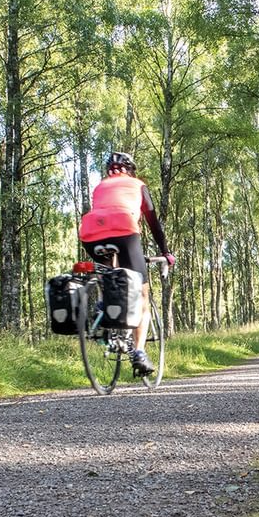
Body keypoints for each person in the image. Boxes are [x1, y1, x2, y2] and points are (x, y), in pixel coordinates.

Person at [78, 152, 174, 374]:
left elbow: (104, 216)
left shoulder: (100, 187)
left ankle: (102, 312)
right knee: (142, 295)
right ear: (131, 170)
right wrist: (165, 252)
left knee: (110, 275)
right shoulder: (138, 185)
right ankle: (139, 353)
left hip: (90, 235)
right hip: (124, 232)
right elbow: (153, 223)